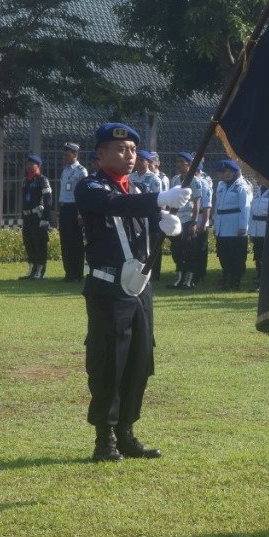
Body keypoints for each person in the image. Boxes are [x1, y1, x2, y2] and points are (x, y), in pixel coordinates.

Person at [76, 121, 191, 461]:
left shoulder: (137, 193)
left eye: (132, 150)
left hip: (139, 289)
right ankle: (105, 439)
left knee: (140, 360)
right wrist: (159, 199)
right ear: (101, 154)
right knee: (109, 361)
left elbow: (140, 226)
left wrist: (165, 225)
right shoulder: (90, 187)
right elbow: (114, 206)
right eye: (120, 150)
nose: (129, 156)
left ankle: (127, 430)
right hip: (108, 288)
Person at [166, 152, 206, 290]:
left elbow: (197, 203)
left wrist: (194, 222)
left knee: (189, 249)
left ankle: (189, 280)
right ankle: (179, 278)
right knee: (176, 249)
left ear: (189, 164)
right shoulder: (175, 179)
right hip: (177, 218)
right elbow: (171, 200)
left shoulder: (195, 181)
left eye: (182, 162)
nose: (178, 164)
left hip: (188, 218)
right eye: (177, 162)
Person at [212, 159, 252, 291]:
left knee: (237, 256)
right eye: (224, 172)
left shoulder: (242, 187)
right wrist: (216, 225)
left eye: (228, 172)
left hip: (235, 227)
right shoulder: (221, 185)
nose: (225, 175)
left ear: (234, 173)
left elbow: (245, 208)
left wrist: (243, 227)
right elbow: (217, 207)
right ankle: (227, 277)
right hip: (223, 227)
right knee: (224, 255)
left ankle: (235, 280)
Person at [58, 142, 89, 282]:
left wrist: (80, 214)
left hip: (74, 208)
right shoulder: (65, 170)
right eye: (64, 154)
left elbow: (82, 195)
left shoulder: (81, 171)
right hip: (64, 208)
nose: (64, 157)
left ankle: (77, 273)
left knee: (75, 243)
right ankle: (69, 273)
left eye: (67, 154)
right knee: (65, 242)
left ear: (75, 155)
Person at [19, 155, 54, 280]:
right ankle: (31, 270)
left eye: (31, 164)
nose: (28, 166)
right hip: (27, 217)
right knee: (29, 243)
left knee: (39, 243)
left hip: (38, 216)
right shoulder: (26, 180)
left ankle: (40, 271)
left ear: (38, 166)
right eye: (27, 164)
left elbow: (48, 200)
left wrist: (45, 218)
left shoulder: (42, 180)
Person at [131, 151, 164, 280]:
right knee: (137, 245)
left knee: (153, 246)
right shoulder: (131, 177)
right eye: (137, 159)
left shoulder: (154, 179)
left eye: (141, 160)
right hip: (135, 216)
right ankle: (138, 271)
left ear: (148, 162)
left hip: (150, 216)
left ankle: (154, 274)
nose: (138, 162)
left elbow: (158, 200)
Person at [248, 184, 269, 291]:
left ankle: (265, 283)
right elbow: (252, 212)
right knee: (258, 257)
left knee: (266, 258)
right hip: (256, 229)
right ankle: (260, 280)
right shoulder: (259, 190)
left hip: (266, 229)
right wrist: (251, 232)